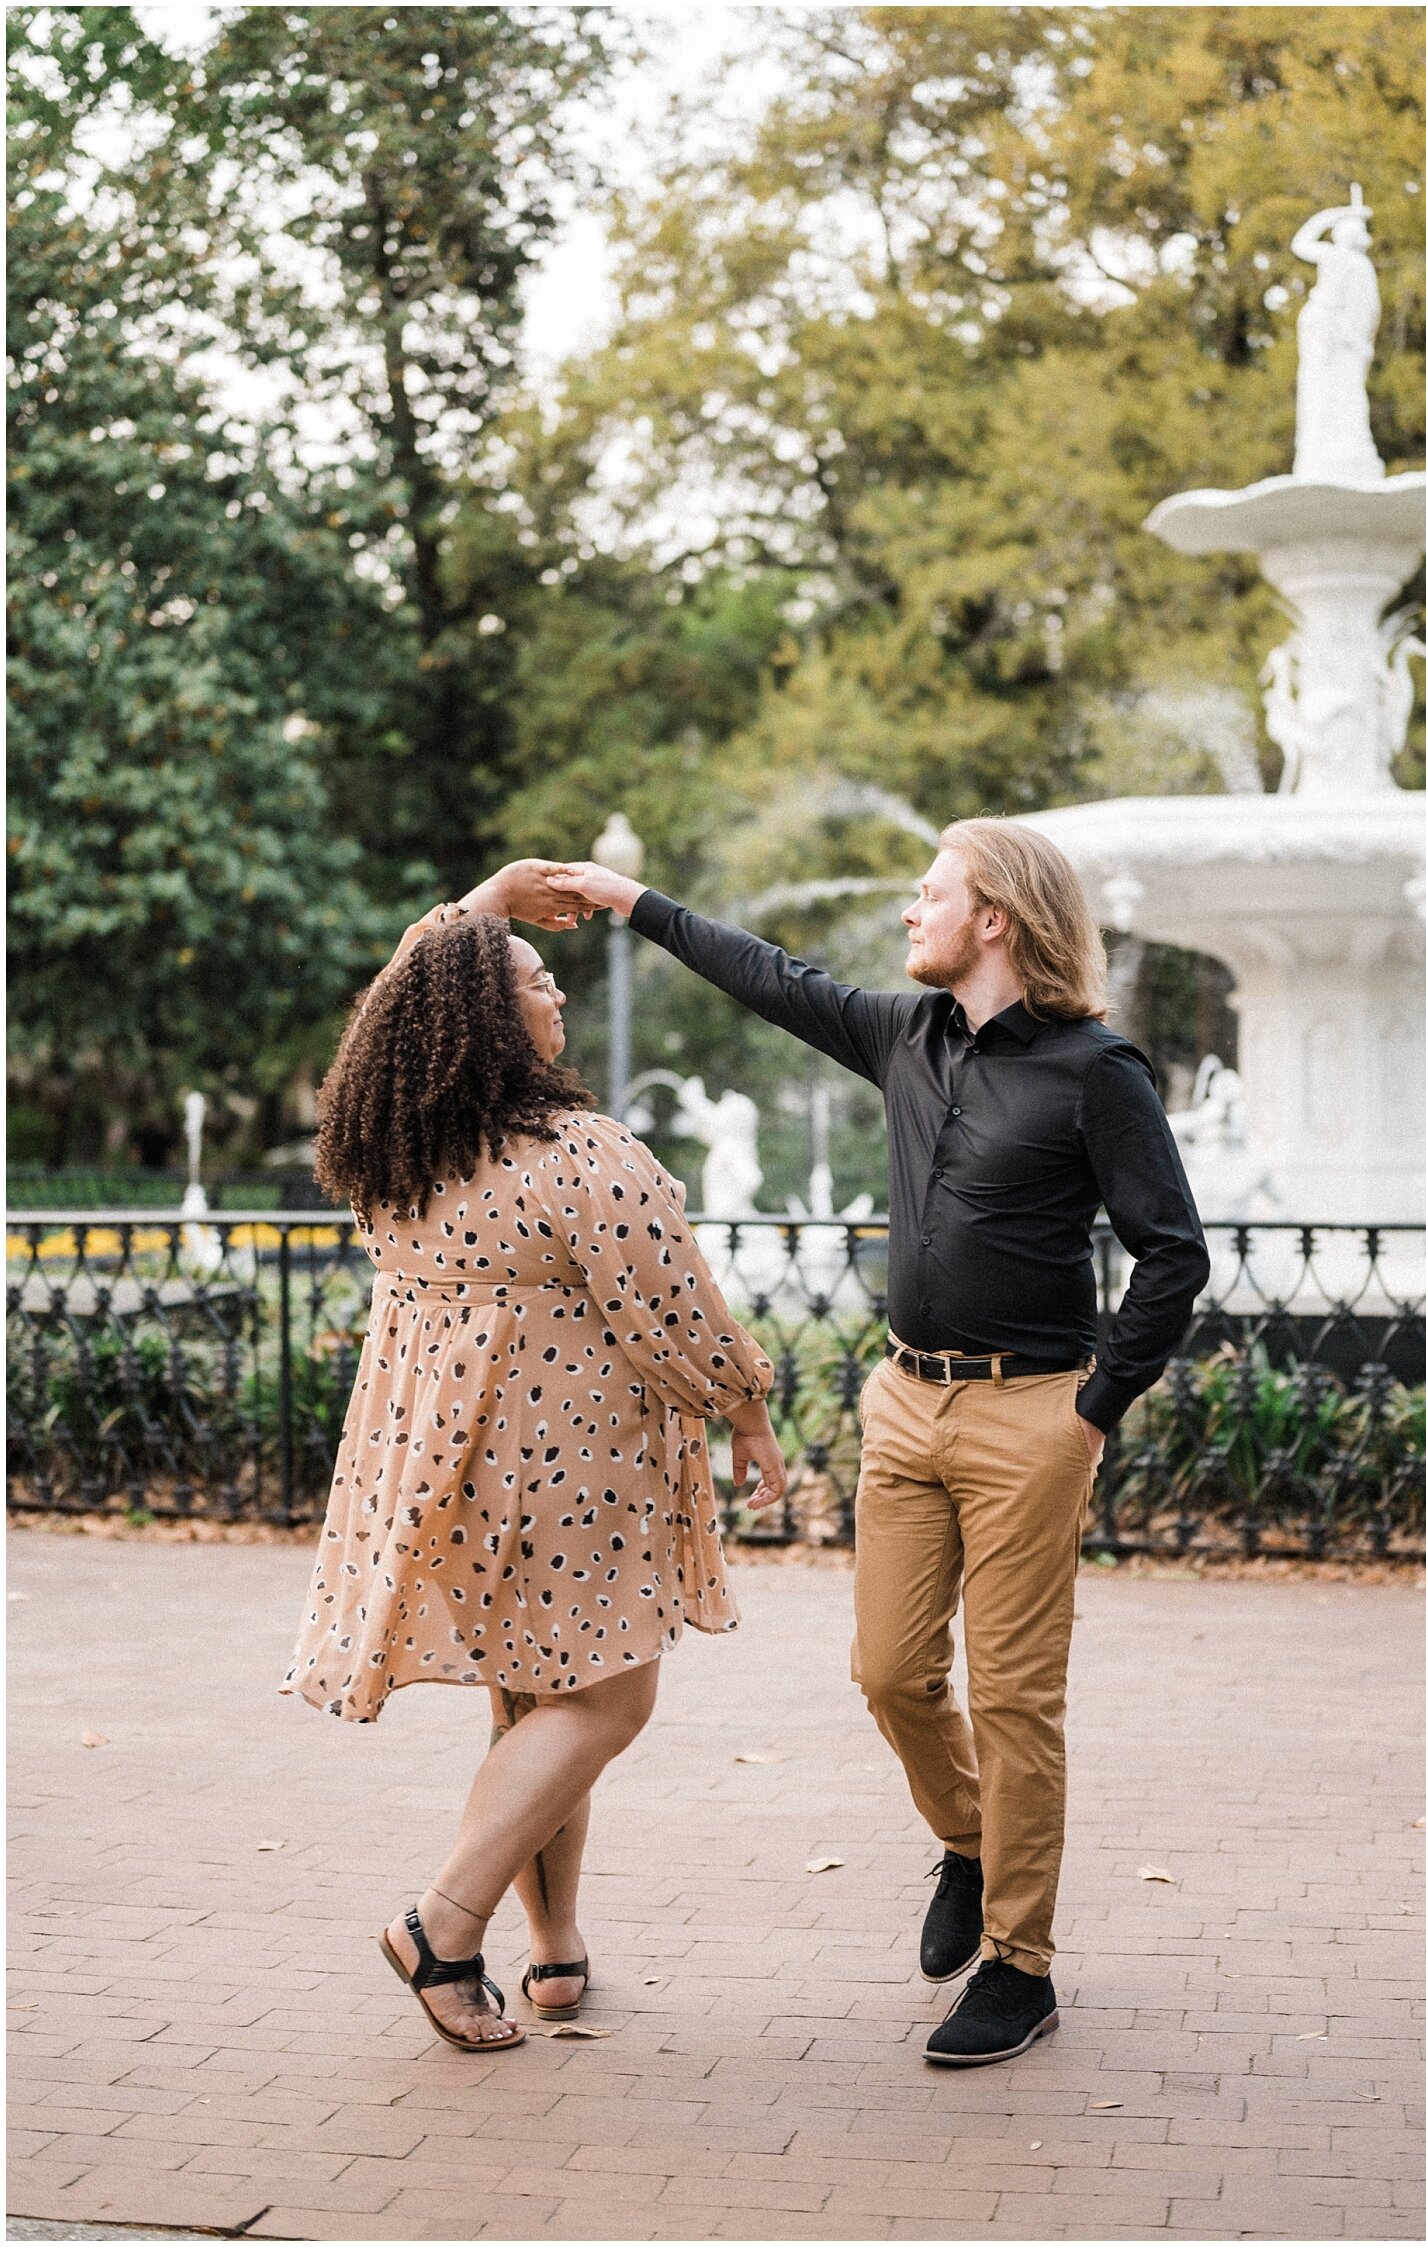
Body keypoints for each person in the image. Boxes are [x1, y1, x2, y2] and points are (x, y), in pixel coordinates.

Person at [548, 820, 1210, 2068]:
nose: (913, 912)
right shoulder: (903, 1035)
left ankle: (1020, 1965)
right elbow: (765, 973)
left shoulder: (1094, 1071)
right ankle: (967, 1837)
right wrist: (630, 896)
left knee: (1016, 1698)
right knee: (888, 1672)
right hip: (905, 1404)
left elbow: (1174, 1254)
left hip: (1034, 1413)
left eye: (931, 895)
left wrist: (1092, 1409)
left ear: (996, 917)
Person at [282, 860, 786, 2053]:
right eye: (536, 977)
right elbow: (679, 1315)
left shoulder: (399, 1149)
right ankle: (441, 1924)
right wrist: (751, 1412)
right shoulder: (577, 1151)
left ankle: (553, 1945)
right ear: (484, 1016)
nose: (556, 991)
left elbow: (408, 984)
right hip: (572, 1464)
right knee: (605, 1700)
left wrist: (485, 905)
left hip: (446, 1462)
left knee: (534, 1706)